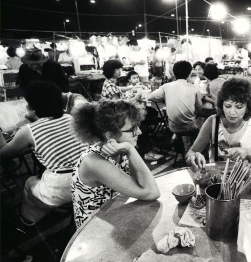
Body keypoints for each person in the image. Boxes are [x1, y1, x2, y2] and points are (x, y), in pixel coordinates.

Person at [0, 81, 87, 226]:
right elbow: (53, 128)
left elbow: (3, 153)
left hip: (63, 187)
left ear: (31, 107)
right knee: (40, 177)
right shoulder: (70, 118)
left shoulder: (29, 131)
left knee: (29, 183)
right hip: (86, 179)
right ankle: (45, 208)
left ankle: (27, 218)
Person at [71, 100, 160, 228]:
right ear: (110, 135)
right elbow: (151, 192)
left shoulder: (117, 148)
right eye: (132, 129)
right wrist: (131, 149)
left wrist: (129, 151)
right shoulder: (94, 162)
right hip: (94, 229)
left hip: (115, 212)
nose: (139, 132)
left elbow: (141, 183)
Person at [185, 78, 251, 169]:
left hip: (244, 178)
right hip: (217, 178)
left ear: (247, 107)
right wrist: (193, 157)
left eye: (239, 107)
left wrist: (248, 152)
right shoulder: (212, 122)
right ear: (221, 105)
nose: (232, 112)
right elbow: (191, 152)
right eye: (227, 106)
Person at [149, 61, 202, 151]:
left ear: (174, 73)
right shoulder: (194, 88)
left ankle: (186, 147)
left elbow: (151, 97)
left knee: (186, 120)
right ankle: (199, 148)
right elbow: (199, 108)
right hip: (190, 128)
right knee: (200, 119)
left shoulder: (166, 86)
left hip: (173, 127)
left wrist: (166, 98)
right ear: (189, 74)